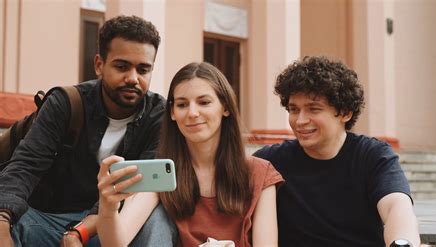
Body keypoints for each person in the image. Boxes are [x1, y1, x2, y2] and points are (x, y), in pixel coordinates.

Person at [0, 15, 175, 247]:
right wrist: (2, 224)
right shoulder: (66, 102)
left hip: (109, 227)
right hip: (48, 221)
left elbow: (137, 192)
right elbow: (26, 165)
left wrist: (80, 231)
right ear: (99, 65)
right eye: (122, 66)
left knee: (159, 221)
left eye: (143, 70)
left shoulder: (158, 115)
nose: (133, 78)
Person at [95, 62, 284, 246]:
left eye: (204, 102)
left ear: (225, 107)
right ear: (172, 113)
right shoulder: (160, 172)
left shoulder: (260, 173)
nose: (192, 113)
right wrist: (108, 208)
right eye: (182, 104)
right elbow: (116, 243)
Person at [253, 56, 421, 247]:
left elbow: (396, 207)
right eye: (293, 109)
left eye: (313, 109)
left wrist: (402, 244)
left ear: (345, 112)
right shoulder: (270, 161)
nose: (300, 120)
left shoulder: (372, 155)